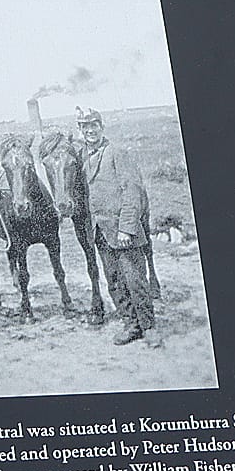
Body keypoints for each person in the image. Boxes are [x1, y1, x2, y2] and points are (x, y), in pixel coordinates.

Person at [77, 108, 161, 347]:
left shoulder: (117, 153)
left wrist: (126, 228)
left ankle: (149, 327)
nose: (90, 130)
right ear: (80, 130)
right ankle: (131, 324)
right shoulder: (82, 157)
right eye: (85, 127)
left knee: (135, 280)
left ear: (101, 127)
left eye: (94, 125)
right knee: (113, 280)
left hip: (123, 232)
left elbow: (132, 191)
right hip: (100, 232)